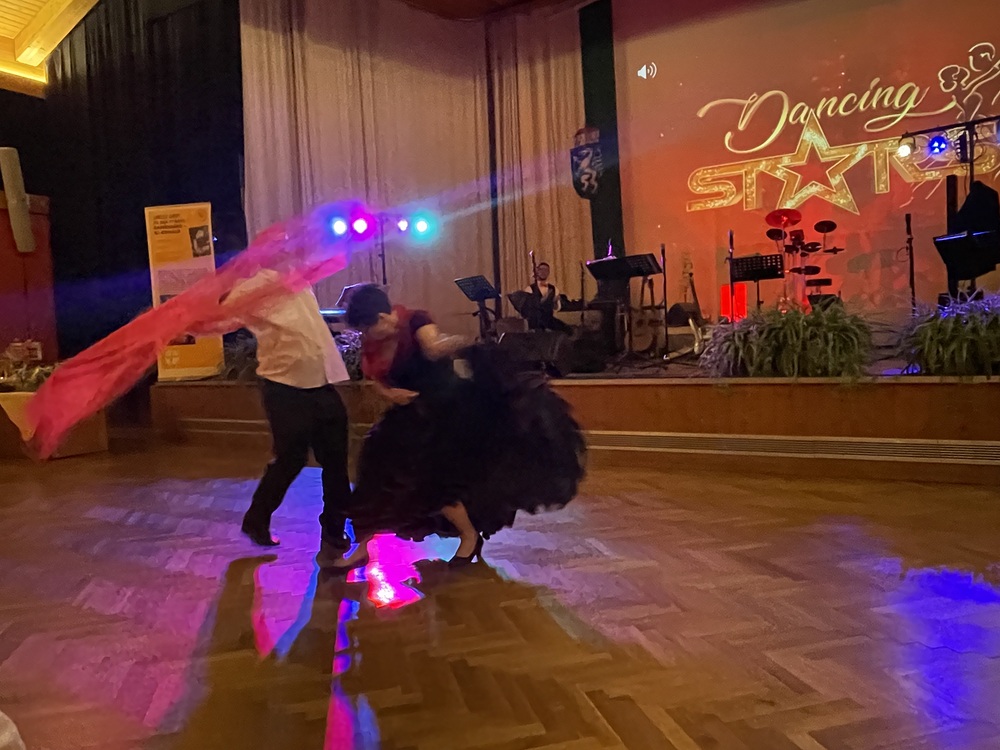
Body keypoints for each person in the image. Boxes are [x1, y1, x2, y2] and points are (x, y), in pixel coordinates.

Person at [322, 284, 586, 571]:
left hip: (444, 411)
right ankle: (362, 547)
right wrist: (390, 394)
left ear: (383, 317)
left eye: (367, 328)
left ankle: (469, 537)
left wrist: (462, 343)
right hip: (409, 416)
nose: (365, 334)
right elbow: (377, 381)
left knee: (437, 484)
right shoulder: (374, 342)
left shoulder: (416, 321)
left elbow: (433, 346)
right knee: (374, 475)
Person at [229, 271, 352, 552]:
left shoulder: (298, 279)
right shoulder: (252, 284)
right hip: (284, 388)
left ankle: (334, 529)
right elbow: (224, 312)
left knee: (336, 461)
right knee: (291, 459)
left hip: (321, 385)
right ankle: (257, 519)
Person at [524, 262, 571, 333]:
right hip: (535, 324)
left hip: (549, 321)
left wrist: (555, 302)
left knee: (568, 330)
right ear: (537, 271)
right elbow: (530, 308)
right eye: (541, 269)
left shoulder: (554, 289)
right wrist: (546, 297)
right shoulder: (529, 289)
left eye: (546, 270)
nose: (544, 272)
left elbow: (557, 308)